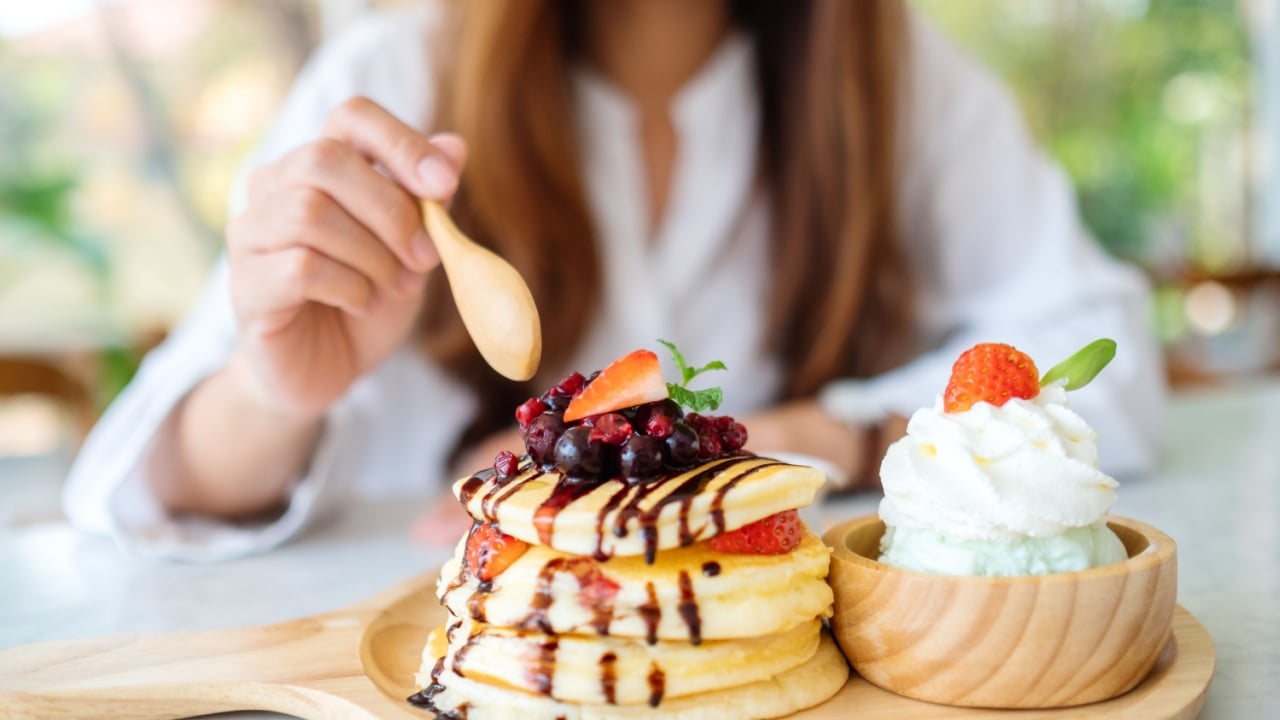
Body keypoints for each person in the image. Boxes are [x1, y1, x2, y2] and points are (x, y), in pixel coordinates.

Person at [63, 0, 1166, 561]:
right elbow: (128, 505)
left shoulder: (897, 83)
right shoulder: (391, 79)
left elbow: (1107, 362)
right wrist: (272, 394)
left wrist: (815, 437)